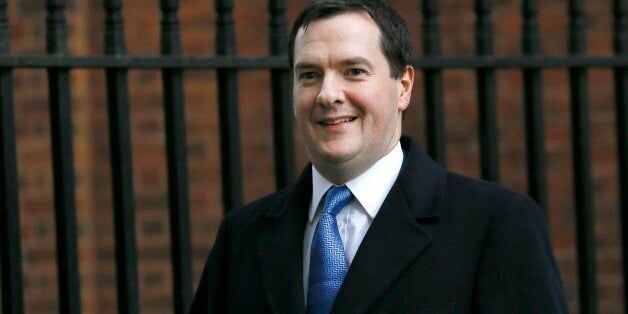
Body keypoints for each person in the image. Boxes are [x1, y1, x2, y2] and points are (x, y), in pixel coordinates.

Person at [191, 0, 568, 312]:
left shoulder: (495, 225)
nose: (327, 94)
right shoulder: (242, 236)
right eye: (309, 75)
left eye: (353, 71)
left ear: (403, 87)